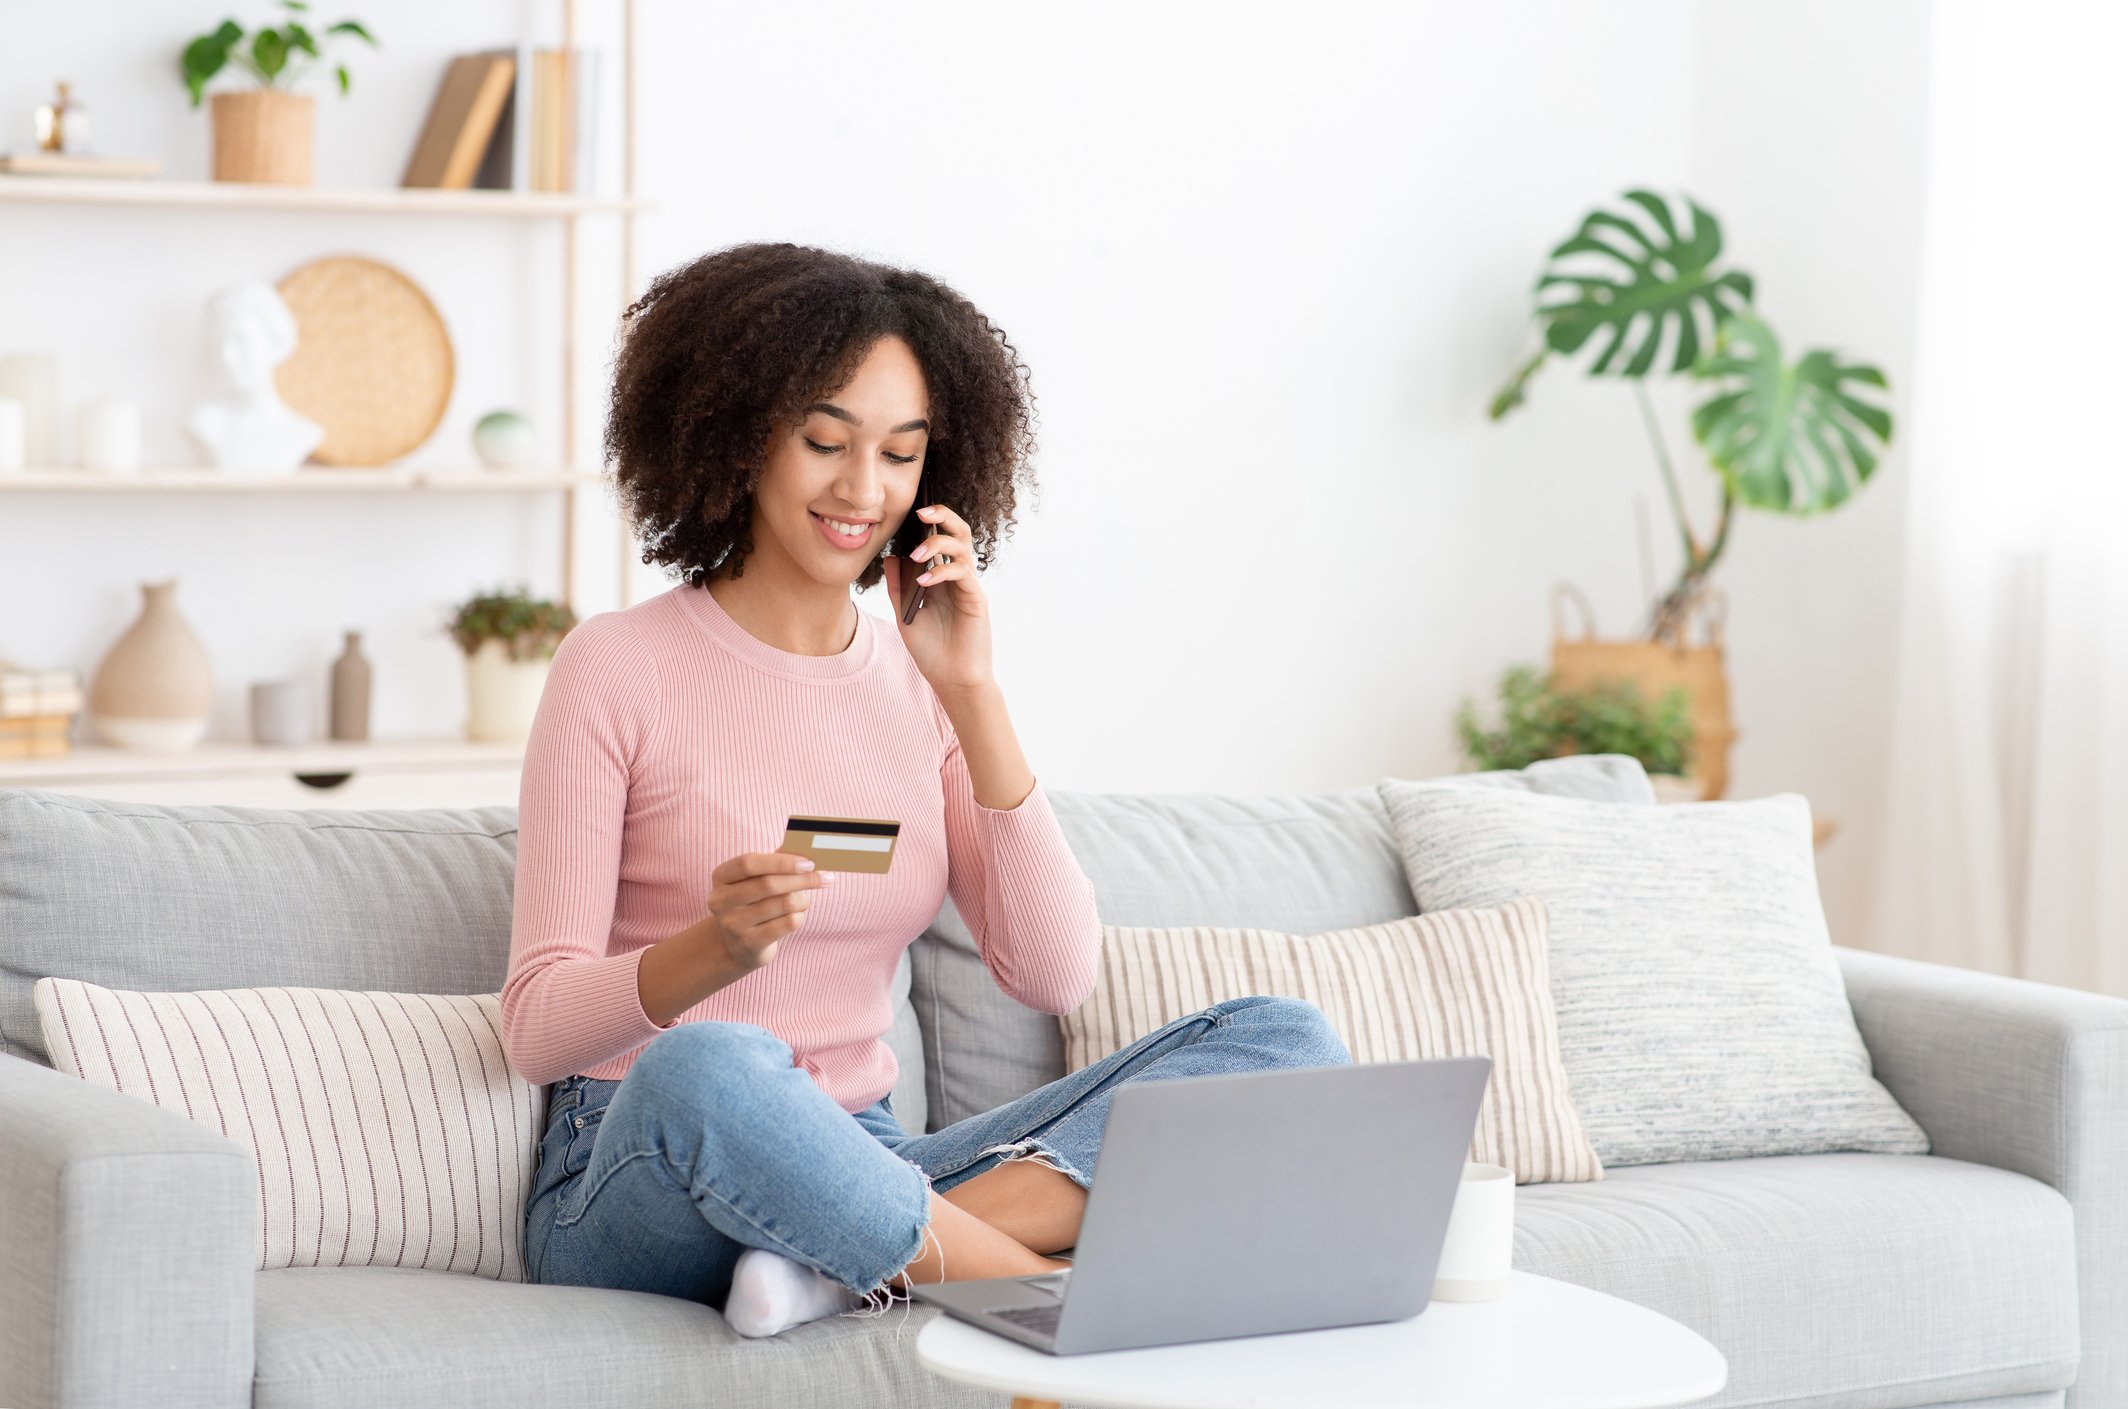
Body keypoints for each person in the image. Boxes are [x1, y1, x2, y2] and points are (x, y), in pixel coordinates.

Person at [501, 241, 1351, 1337]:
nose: (863, 489)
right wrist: (712, 948)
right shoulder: (615, 665)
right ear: (736, 431)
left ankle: (843, 1259)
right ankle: (1054, 1308)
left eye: (900, 455)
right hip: (640, 1157)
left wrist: (971, 691)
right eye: (824, 442)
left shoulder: (921, 677)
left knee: (1284, 1043)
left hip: (869, 1151)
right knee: (709, 1062)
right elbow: (534, 1029)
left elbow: (1053, 970)